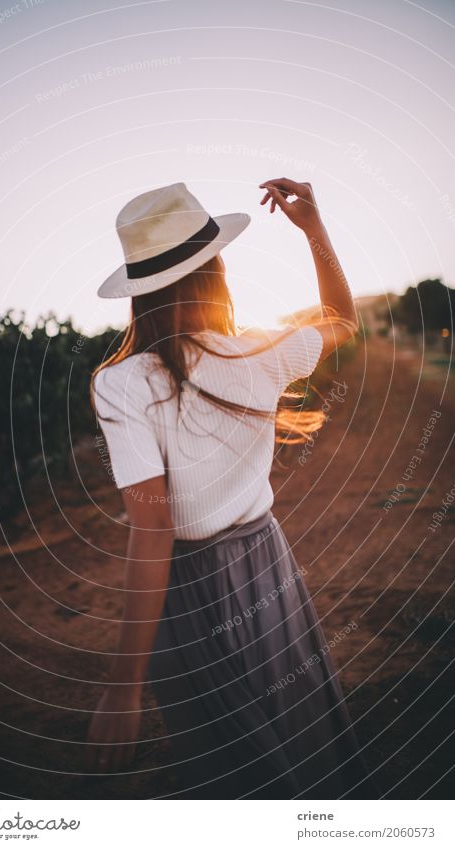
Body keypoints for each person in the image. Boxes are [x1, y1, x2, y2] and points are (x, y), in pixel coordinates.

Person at [87, 179, 379, 799]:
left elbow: (154, 531)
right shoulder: (260, 353)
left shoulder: (120, 384)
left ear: (141, 290)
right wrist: (315, 229)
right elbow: (344, 321)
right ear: (215, 273)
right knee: (298, 738)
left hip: (187, 590)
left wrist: (122, 686)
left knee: (222, 761)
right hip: (266, 568)